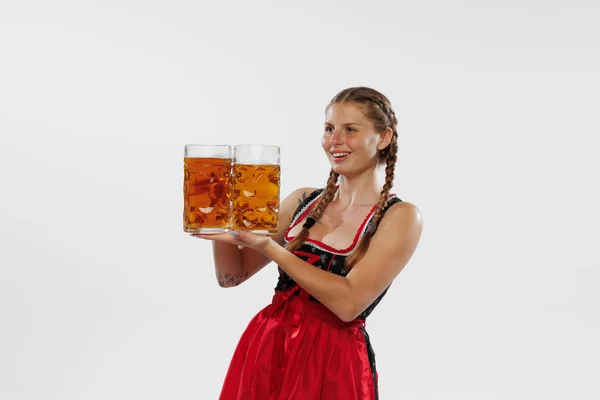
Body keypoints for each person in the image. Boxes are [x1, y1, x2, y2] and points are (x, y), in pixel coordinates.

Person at [195, 86, 423, 399]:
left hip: (333, 363)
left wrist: (270, 248)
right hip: (268, 348)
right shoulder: (303, 201)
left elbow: (347, 304)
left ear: (383, 138)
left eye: (350, 130)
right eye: (329, 129)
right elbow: (231, 277)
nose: (335, 140)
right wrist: (219, 226)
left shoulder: (400, 217)